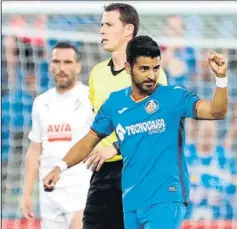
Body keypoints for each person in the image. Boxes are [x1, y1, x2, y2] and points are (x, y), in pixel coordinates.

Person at [43, 35, 228, 229]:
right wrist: (59, 167)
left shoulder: (173, 97)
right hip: (131, 202)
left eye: (155, 68)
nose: (151, 75)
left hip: (165, 197)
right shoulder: (115, 103)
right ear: (128, 67)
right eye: (144, 68)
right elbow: (89, 140)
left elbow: (217, 112)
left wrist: (221, 79)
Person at [83, 3, 167, 229]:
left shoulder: (152, 73)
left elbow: (157, 126)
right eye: (101, 24)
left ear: (128, 30)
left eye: (109, 25)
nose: (102, 30)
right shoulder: (97, 73)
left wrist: (118, 147)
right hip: (103, 172)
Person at [20, 42, 93, 229]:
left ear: (78, 66)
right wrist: (27, 193)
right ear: (50, 66)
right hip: (49, 196)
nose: (62, 68)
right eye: (57, 62)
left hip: (81, 190)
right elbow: (35, 148)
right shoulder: (41, 102)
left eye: (68, 62)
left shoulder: (89, 98)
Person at [184, 120, 237, 220]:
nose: (208, 134)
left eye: (210, 132)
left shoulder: (225, 156)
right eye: (205, 132)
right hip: (188, 219)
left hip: (219, 218)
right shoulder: (185, 154)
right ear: (197, 130)